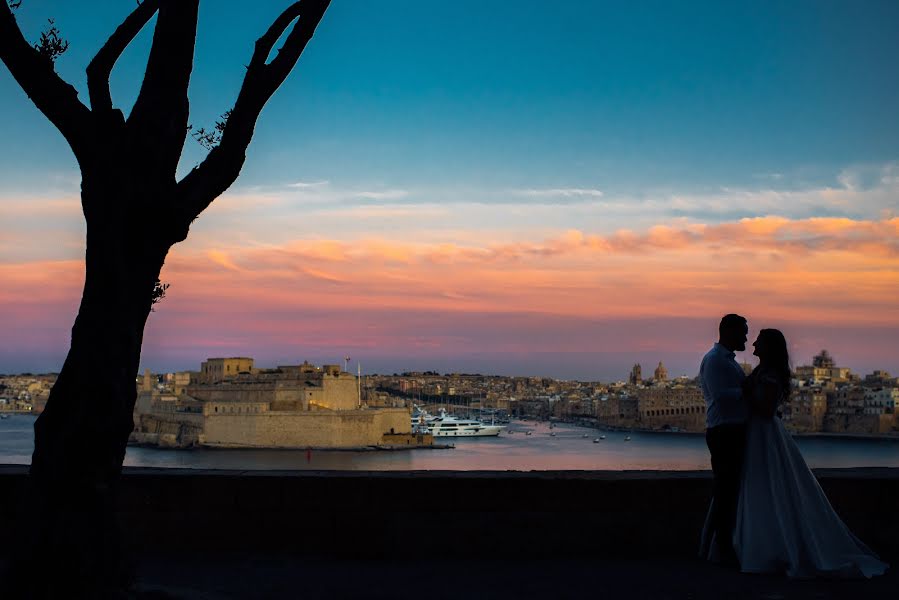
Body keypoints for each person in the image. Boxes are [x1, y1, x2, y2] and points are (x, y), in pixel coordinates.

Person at [733, 328, 888, 578]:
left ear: (769, 347)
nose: (753, 343)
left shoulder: (770, 375)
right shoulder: (764, 372)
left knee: (768, 487)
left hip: (765, 434)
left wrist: (745, 396)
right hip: (760, 435)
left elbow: (766, 409)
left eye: (759, 340)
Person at [698, 313, 749, 566]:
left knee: (728, 491)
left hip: (730, 431)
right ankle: (720, 548)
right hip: (723, 432)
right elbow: (720, 395)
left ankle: (720, 546)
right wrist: (751, 390)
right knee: (726, 493)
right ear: (729, 331)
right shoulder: (716, 360)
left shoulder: (725, 359)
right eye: (743, 332)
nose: (747, 338)